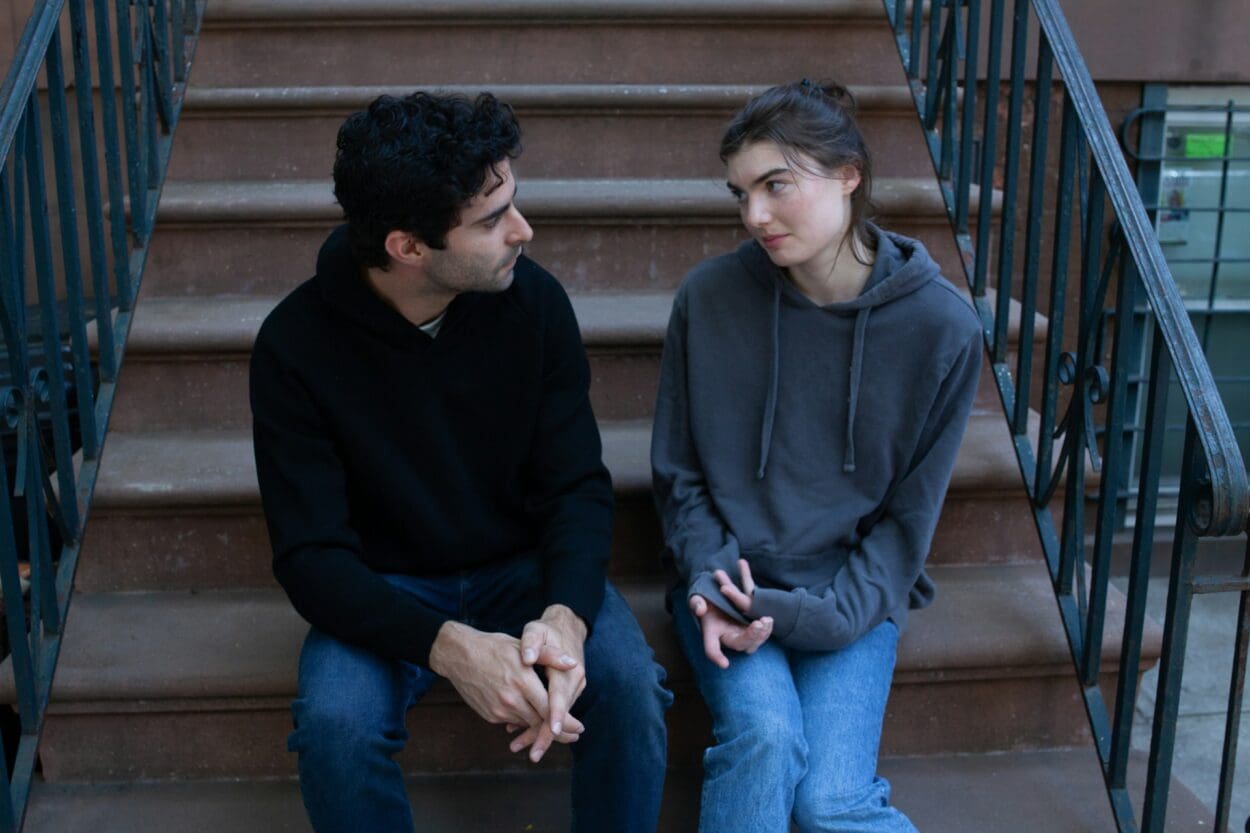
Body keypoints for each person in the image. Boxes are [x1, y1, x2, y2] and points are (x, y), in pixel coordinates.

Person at [250, 91, 671, 833]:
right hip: (386, 585)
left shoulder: (534, 304)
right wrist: (448, 647)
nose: (523, 229)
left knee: (632, 688)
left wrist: (567, 616)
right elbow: (311, 556)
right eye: (491, 219)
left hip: (525, 570)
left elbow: (576, 484)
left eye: (512, 203)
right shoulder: (295, 345)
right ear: (408, 247)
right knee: (336, 727)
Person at [651, 80, 983, 832]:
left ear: (848, 175)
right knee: (765, 738)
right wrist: (716, 585)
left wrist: (823, 617)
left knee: (830, 801)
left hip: (850, 599)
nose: (754, 216)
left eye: (776, 186)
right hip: (730, 587)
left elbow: (905, 524)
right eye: (740, 193)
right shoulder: (709, 298)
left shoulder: (942, 330)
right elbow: (680, 475)